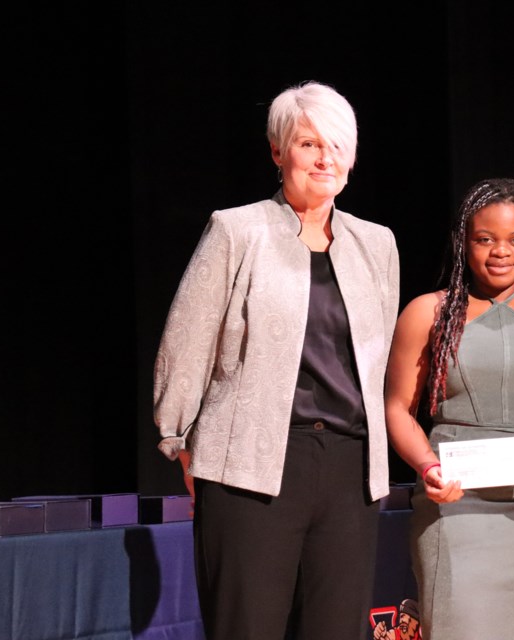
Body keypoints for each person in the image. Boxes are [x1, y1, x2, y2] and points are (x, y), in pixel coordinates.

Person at [152, 80, 399, 639]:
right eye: (308, 144)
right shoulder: (236, 230)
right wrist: (178, 437)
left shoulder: (376, 243)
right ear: (277, 151)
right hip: (250, 466)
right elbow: (186, 339)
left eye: (335, 145)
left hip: (348, 467)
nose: (324, 158)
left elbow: (376, 353)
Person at [384, 177, 514, 640]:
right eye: (486, 239)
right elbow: (397, 407)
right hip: (454, 507)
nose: (502, 251)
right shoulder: (427, 313)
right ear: (464, 243)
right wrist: (427, 466)